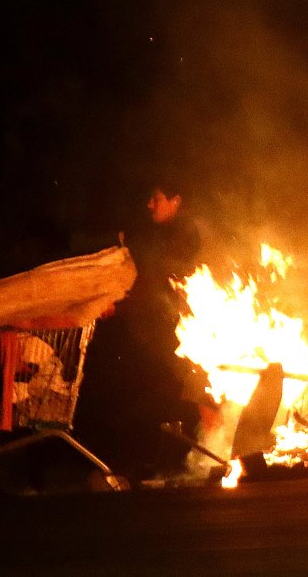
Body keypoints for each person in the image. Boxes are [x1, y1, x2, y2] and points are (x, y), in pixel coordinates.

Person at [73, 179, 211, 483]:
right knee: (160, 397)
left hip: (170, 333)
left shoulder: (185, 233)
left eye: (156, 198)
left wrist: (120, 305)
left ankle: (157, 465)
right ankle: (159, 464)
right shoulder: (169, 233)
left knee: (160, 397)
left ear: (175, 200)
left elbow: (157, 283)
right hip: (162, 331)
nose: (150, 204)